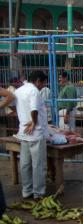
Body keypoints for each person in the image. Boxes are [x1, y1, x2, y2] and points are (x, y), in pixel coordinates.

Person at [0, 71, 48, 200]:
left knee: (25, 163)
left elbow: (10, 105)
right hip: (36, 133)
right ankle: (38, 193)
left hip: (23, 133)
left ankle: (26, 191)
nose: (42, 86)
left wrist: (22, 115)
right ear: (38, 80)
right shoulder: (34, 91)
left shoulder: (19, 90)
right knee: (38, 164)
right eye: (42, 83)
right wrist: (33, 122)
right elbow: (34, 109)